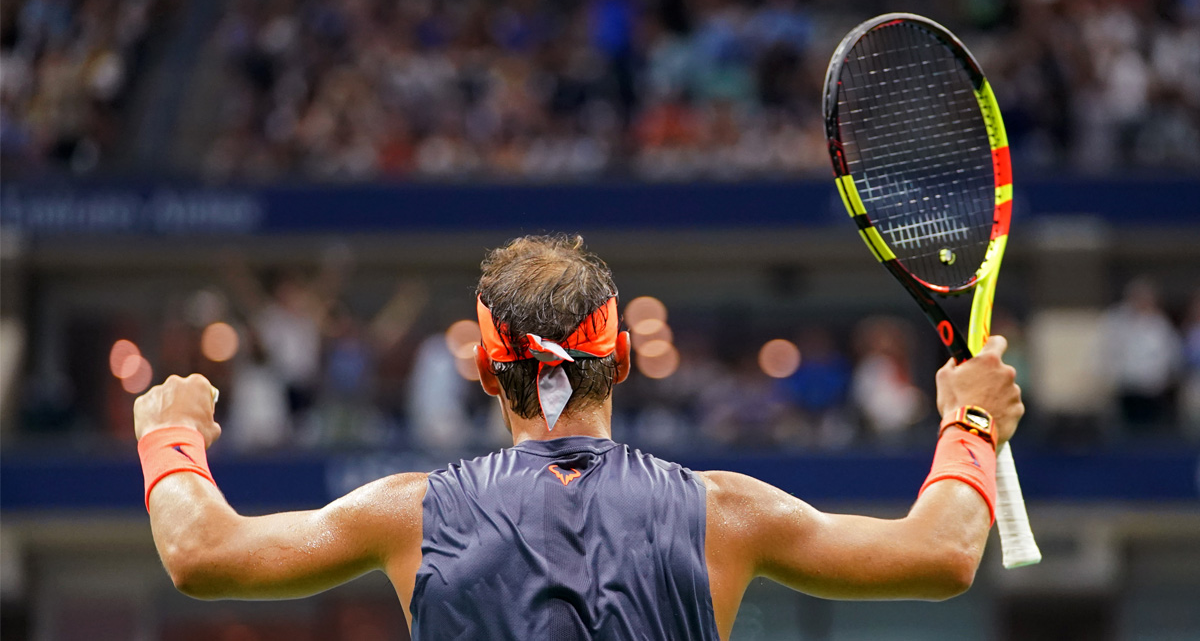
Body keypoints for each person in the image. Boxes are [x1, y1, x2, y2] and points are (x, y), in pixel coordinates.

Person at [134, 235, 1024, 640]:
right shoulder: (724, 512)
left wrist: (171, 433)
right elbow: (943, 551)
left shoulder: (410, 515)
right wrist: (970, 421)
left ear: (487, 373)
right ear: (625, 359)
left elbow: (200, 551)